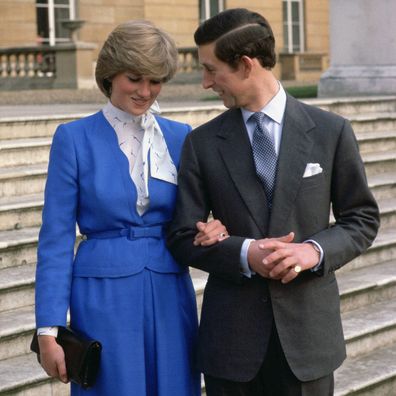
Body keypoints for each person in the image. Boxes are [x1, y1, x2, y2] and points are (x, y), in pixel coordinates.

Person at [167, 8, 380, 396]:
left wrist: (312, 252)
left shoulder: (332, 132)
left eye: (213, 70)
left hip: (308, 342)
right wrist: (245, 253)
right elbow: (181, 235)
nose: (205, 82)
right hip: (231, 345)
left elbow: (362, 219)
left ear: (246, 65)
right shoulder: (201, 143)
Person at [34, 20, 229, 396]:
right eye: (134, 78)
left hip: (170, 288)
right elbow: (55, 240)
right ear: (110, 75)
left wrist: (213, 227)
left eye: (155, 81)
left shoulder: (179, 136)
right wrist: (48, 328)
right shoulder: (73, 139)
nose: (145, 91)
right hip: (101, 294)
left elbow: (196, 214)